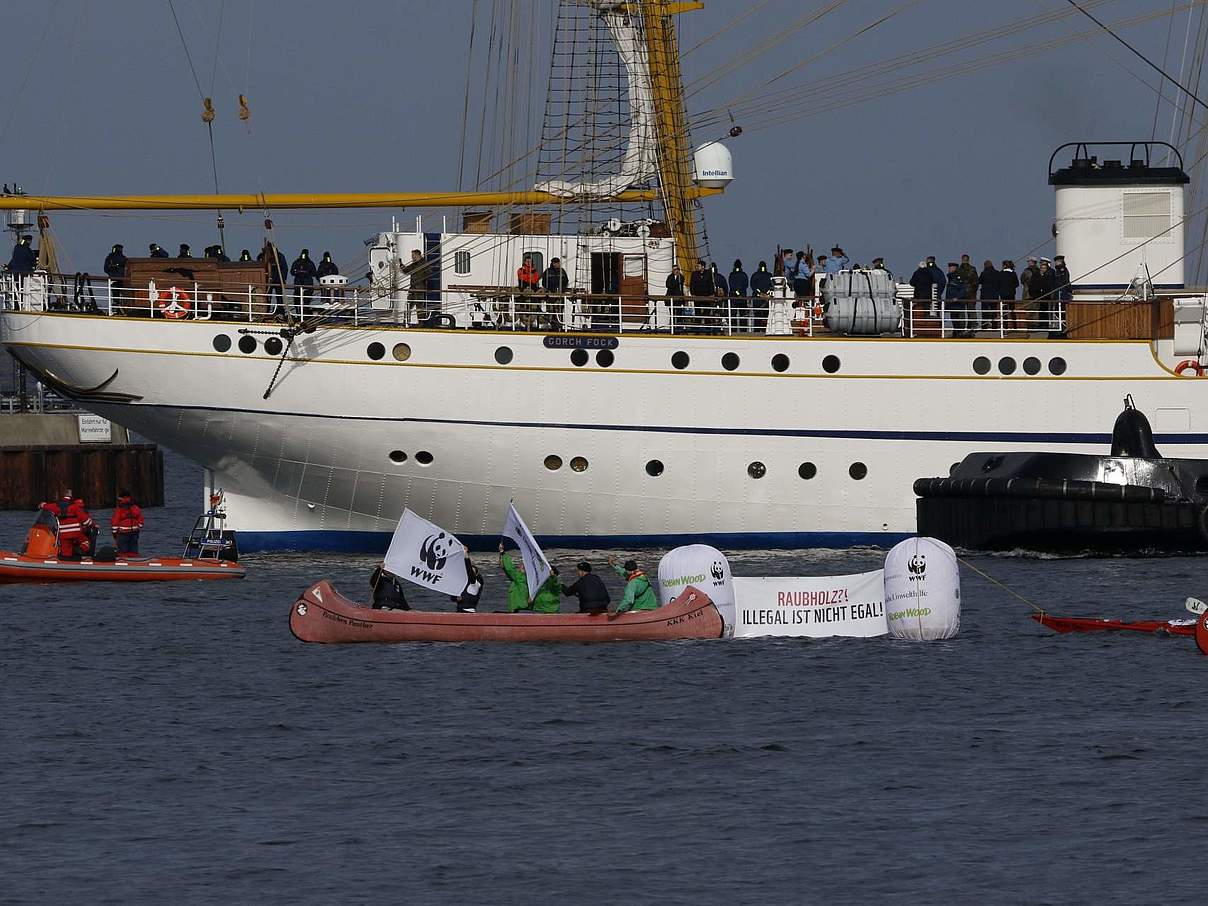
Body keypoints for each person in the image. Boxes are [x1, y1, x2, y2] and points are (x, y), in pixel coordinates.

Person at [40, 490, 92, 560]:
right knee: (86, 541)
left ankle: (66, 563)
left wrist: (42, 505)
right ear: (71, 496)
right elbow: (86, 521)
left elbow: (46, 506)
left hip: (63, 534)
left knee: (66, 553)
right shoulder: (75, 506)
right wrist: (91, 525)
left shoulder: (56, 506)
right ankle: (79, 551)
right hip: (75, 533)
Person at [110, 490, 144, 555]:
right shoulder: (135, 508)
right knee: (134, 552)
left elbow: (115, 523)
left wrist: (114, 534)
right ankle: (134, 563)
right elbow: (141, 520)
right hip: (134, 533)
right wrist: (138, 528)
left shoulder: (119, 510)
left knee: (122, 553)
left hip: (122, 534)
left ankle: (124, 564)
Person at [451, 547, 483, 613]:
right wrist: (456, 598)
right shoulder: (462, 583)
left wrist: (466, 555)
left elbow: (469, 571)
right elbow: (452, 596)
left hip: (469, 612)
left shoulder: (476, 584)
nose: (469, 574)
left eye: (473, 573)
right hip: (459, 611)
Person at [404, 249, 433, 322]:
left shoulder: (424, 263)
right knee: (408, 306)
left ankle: (421, 323)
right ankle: (406, 321)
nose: (412, 258)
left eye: (413, 256)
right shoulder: (414, 264)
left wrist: (422, 277)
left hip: (420, 288)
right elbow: (407, 270)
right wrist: (401, 265)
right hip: (412, 288)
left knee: (419, 307)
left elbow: (430, 272)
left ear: (417, 255)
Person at [688, 259, 713, 331]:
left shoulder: (708, 274)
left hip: (706, 297)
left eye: (698, 266)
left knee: (707, 314)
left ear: (703, 267)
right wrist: (693, 294)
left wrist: (711, 294)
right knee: (697, 313)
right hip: (697, 296)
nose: (696, 267)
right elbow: (692, 284)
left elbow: (711, 284)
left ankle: (708, 330)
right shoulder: (694, 274)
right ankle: (697, 330)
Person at [943, 262, 967, 335]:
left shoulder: (958, 277)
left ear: (955, 268)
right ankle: (956, 332)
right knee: (954, 318)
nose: (949, 269)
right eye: (949, 267)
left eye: (951, 267)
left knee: (959, 319)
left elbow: (963, 289)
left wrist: (957, 297)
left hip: (958, 303)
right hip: (951, 303)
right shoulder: (950, 278)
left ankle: (960, 332)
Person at [749, 260, 772, 333]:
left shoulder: (754, 275)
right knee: (765, 316)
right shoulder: (769, 275)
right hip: (765, 299)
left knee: (758, 316)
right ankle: (765, 330)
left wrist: (760, 293)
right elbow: (771, 286)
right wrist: (765, 294)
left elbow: (753, 286)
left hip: (759, 299)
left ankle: (757, 330)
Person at [977, 259, 999, 330]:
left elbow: (979, 281)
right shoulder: (997, 273)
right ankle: (994, 327)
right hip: (994, 295)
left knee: (985, 312)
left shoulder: (984, 273)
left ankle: (984, 326)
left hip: (985, 296)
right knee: (994, 312)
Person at [728, 259, 750, 330]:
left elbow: (731, 285)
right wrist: (739, 293)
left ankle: (733, 329)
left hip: (733, 298)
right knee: (743, 315)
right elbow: (746, 285)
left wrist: (736, 292)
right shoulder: (744, 275)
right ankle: (743, 329)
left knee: (733, 315)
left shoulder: (731, 275)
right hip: (742, 298)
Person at [999, 259, 1020, 332]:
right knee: (1012, 310)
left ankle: (1005, 326)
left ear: (1004, 266)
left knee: (1004, 311)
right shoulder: (1013, 274)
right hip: (1011, 294)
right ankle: (1015, 326)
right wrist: (1011, 287)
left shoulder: (1001, 274)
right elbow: (1017, 284)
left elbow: (998, 284)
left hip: (1003, 294)